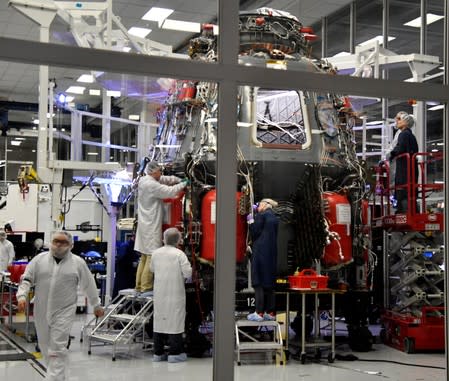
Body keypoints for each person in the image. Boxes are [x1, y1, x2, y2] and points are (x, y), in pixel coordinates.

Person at [16, 231, 104, 381]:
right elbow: (27, 278)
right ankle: (59, 377)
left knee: (57, 349)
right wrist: (22, 295)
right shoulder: (39, 260)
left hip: (64, 311)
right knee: (45, 347)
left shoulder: (78, 263)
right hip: (41, 309)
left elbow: (89, 285)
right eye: (56, 241)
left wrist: (96, 305)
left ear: (71, 245)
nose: (58, 245)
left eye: (63, 242)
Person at [134, 162, 187, 293]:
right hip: (151, 225)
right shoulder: (151, 185)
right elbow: (169, 192)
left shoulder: (145, 180)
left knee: (144, 257)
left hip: (145, 224)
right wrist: (184, 184)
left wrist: (178, 179)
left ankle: (139, 286)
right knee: (151, 256)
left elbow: (164, 180)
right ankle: (146, 287)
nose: (161, 173)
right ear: (153, 172)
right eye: (159, 171)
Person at [149, 227, 192, 363]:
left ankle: (158, 353)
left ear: (164, 239)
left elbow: (151, 269)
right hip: (175, 294)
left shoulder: (155, 253)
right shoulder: (179, 254)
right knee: (175, 323)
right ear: (179, 240)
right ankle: (175, 353)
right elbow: (188, 273)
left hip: (160, 293)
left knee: (159, 321)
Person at [246, 198, 279, 322]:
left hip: (260, 254)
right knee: (269, 285)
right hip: (271, 255)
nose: (257, 206)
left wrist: (250, 221)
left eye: (258, 204)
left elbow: (254, 232)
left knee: (258, 283)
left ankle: (259, 313)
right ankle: (271, 312)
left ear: (265, 205)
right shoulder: (274, 218)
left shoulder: (262, 215)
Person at [388, 111, 419, 213]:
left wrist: (391, 155)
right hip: (411, 171)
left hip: (404, 172)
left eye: (399, 119)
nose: (396, 121)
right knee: (410, 195)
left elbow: (400, 148)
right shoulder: (411, 135)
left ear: (406, 122)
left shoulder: (403, 134)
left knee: (403, 193)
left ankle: (402, 212)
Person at [112, 234, 139, 298]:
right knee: (120, 297)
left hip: (129, 277)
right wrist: (132, 263)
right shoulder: (125, 246)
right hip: (123, 277)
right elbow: (120, 261)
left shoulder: (132, 246)